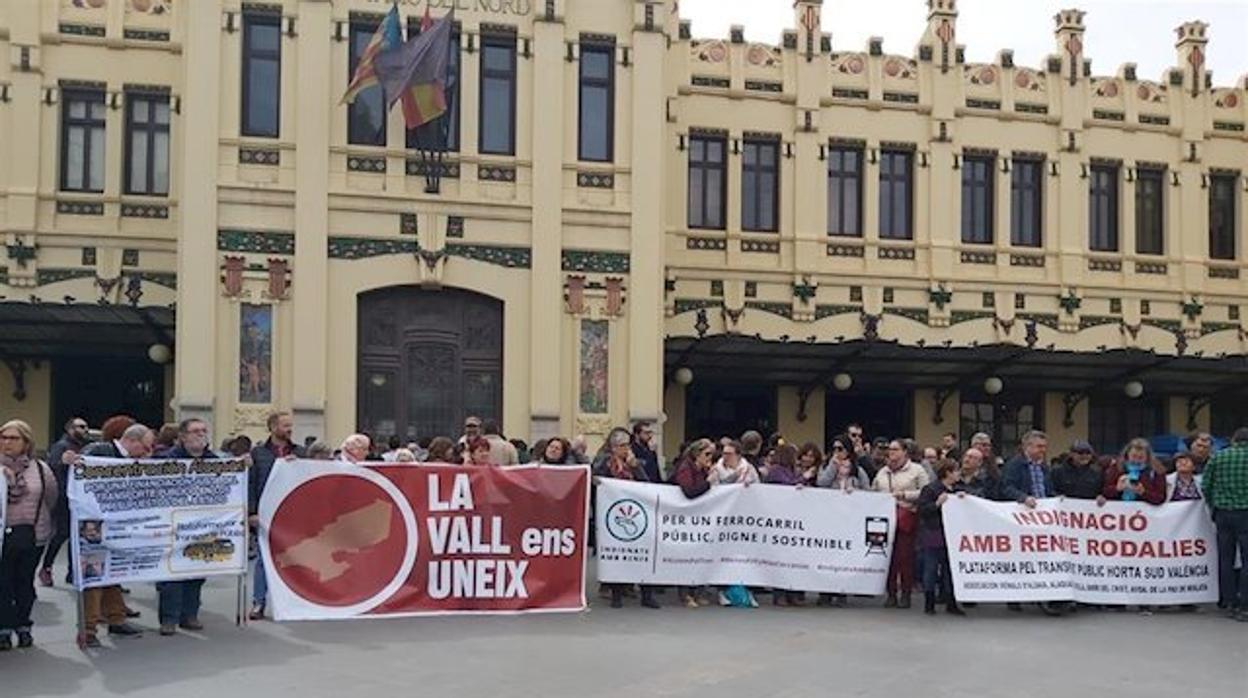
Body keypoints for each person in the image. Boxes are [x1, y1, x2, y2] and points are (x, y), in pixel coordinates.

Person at [78, 423, 154, 646]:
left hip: (119, 527)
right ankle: (88, 629)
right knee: (94, 575)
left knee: (115, 573)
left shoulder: (134, 460)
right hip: (95, 527)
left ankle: (116, 619)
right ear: (132, 441)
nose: (148, 453)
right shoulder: (98, 452)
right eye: (146, 448)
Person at [153, 418, 222, 636]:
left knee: (196, 571)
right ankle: (169, 619)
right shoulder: (166, 460)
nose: (201, 434)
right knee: (171, 574)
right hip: (172, 525)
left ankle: (190, 614)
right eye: (195, 431)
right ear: (182, 436)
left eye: (204, 430)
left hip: (201, 526)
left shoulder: (214, 461)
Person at [0, 420, 59, 650]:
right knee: (2, 584)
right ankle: (3, 629)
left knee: (24, 583)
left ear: (26, 442)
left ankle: (23, 626)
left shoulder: (41, 469)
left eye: (13, 438)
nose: (6, 443)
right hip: (3, 537)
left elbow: (51, 498)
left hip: (33, 535)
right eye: (3, 437)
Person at [593, 429, 660, 609]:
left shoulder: (633, 463)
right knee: (618, 554)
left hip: (636, 513)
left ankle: (647, 594)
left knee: (643, 553)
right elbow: (596, 479)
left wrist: (635, 466)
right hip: (614, 514)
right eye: (622, 446)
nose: (626, 449)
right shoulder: (605, 463)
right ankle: (616, 593)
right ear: (613, 448)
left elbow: (646, 483)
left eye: (627, 445)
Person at [873, 439, 929, 609]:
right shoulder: (882, 472)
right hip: (884, 520)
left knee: (904, 557)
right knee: (887, 557)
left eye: (896, 449)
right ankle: (890, 594)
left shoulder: (917, 470)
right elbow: (873, 491)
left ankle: (905, 593)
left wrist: (905, 495)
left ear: (905, 452)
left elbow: (926, 492)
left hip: (906, 517)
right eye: (890, 450)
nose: (892, 453)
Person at [1202, 427, 1248, 621]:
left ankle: (1228, 601)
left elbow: (1206, 485)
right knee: (1247, 560)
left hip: (1223, 513)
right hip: (1246, 511)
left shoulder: (1218, 457)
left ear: (1234, 440)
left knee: (1225, 559)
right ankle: (1245, 603)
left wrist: (1215, 503)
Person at [40, 416, 91, 587]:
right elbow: (52, 466)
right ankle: (46, 567)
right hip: (64, 498)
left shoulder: (85, 447)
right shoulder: (61, 446)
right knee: (62, 534)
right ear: (70, 429)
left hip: (80, 498)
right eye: (81, 427)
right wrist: (63, 462)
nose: (85, 430)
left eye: (86, 427)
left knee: (75, 535)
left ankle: (73, 571)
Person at [916, 458, 965, 616]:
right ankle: (929, 602)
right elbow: (922, 509)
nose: (959, 474)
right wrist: (937, 504)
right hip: (934, 533)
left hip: (952, 535)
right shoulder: (930, 489)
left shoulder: (957, 489)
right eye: (956, 470)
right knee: (931, 568)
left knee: (949, 570)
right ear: (948, 473)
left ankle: (951, 601)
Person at [672, 439, 715, 608]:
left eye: (712, 454)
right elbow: (689, 491)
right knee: (686, 554)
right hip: (684, 518)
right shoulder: (685, 468)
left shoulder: (702, 469)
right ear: (697, 454)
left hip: (699, 517)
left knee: (700, 554)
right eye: (707, 454)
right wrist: (708, 482)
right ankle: (685, 593)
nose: (709, 458)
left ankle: (697, 590)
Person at [763, 444, 807, 606]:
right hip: (779, 520)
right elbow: (784, 487)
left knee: (793, 558)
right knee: (781, 558)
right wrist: (802, 479)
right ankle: (779, 593)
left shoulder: (793, 471)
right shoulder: (776, 471)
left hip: (793, 519)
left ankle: (792, 592)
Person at [1100, 438, 1166, 505]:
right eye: (1133, 456)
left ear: (1147, 457)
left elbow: (1160, 498)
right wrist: (1117, 488)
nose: (1136, 461)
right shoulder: (1117, 468)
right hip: (1118, 510)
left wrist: (1143, 492)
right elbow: (1104, 491)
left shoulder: (1156, 471)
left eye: (1141, 457)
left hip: (1145, 512)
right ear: (1127, 454)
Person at [1001, 430, 1052, 508]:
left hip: (1043, 510)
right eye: (1039, 446)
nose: (1043, 450)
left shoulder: (1044, 467)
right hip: (1024, 510)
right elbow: (1006, 488)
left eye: (1045, 446)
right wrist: (1024, 498)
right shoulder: (1014, 465)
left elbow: (1048, 490)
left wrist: (1058, 498)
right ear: (1027, 446)